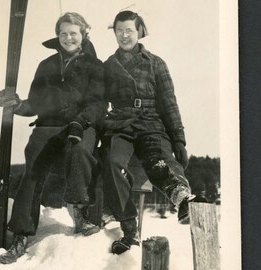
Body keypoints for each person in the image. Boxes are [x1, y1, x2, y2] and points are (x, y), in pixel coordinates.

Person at [0, 12, 106, 264]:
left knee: (79, 151)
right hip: (48, 126)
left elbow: (98, 103)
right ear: (58, 35)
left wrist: (81, 122)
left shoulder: (94, 65)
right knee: (33, 168)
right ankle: (21, 234)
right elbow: (34, 104)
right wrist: (16, 104)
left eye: (73, 33)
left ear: (83, 34)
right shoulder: (46, 65)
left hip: (81, 124)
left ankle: (78, 210)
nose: (68, 38)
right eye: (63, 33)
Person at [101, 10, 206, 255]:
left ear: (139, 31)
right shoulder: (108, 66)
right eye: (119, 31)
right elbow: (97, 101)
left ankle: (182, 200)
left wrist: (178, 138)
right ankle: (129, 231)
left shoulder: (155, 63)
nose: (124, 35)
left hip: (151, 122)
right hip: (120, 124)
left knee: (159, 159)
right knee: (112, 162)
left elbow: (169, 102)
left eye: (129, 30)